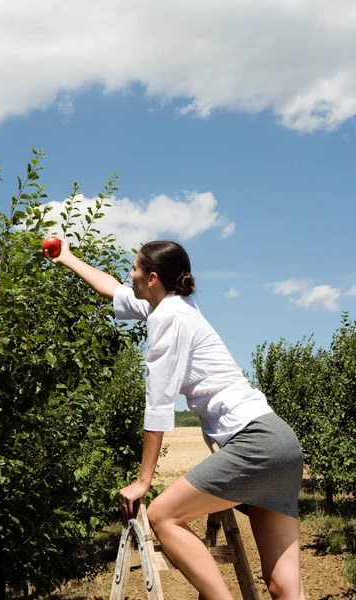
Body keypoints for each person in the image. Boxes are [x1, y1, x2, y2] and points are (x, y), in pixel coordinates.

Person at [43, 239, 305, 600]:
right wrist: (68, 258)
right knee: (285, 588)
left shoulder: (168, 319)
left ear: (152, 278)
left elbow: (160, 404)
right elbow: (113, 290)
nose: (128, 273)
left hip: (254, 441)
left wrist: (142, 481)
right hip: (281, 442)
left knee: (164, 516)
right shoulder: (177, 306)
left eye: (134, 268)